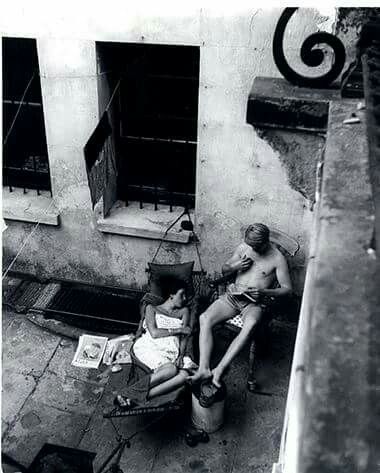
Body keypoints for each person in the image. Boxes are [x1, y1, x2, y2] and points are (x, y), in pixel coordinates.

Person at [190, 223, 292, 389]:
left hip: (254, 303)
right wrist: (234, 267)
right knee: (205, 318)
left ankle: (219, 369)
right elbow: (225, 269)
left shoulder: (277, 258)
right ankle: (204, 369)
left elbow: (287, 290)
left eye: (256, 246)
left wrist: (264, 292)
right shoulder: (244, 248)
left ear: (265, 242)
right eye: (250, 245)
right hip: (233, 297)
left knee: (250, 324)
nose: (252, 249)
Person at [115, 277, 196, 408]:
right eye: (182, 294)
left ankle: (137, 397)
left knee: (184, 376)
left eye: (186, 295)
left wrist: (181, 355)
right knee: (171, 370)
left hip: (171, 351)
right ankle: (128, 393)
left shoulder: (184, 311)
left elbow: (185, 336)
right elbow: (154, 333)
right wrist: (179, 329)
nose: (185, 298)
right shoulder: (151, 308)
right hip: (150, 346)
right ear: (171, 294)